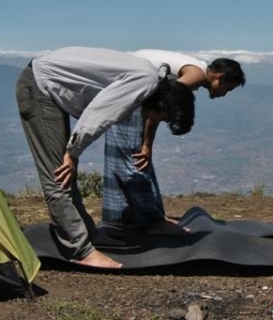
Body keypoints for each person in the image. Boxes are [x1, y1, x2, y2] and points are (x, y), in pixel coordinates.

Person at [15, 47, 195, 268]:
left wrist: (74, 150)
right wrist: (73, 152)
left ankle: (88, 235)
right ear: (164, 105)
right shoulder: (144, 82)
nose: (154, 119)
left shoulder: (150, 78)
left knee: (65, 169)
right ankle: (80, 250)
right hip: (40, 86)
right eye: (164, 118)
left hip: (48, 84)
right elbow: (101, 113)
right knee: (58, 173)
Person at [102, 50, 245, 233]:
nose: (224, 94)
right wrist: (146, 144)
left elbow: (157, 105)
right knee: (133, 162)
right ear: (221, 77)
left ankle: (139, 218)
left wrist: (147, 145)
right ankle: (150, 222)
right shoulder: (196, 75)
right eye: (228, 88)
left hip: (130, 92)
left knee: (138, 159)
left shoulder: (192, 73)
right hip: (127, 95)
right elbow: (162, 103)